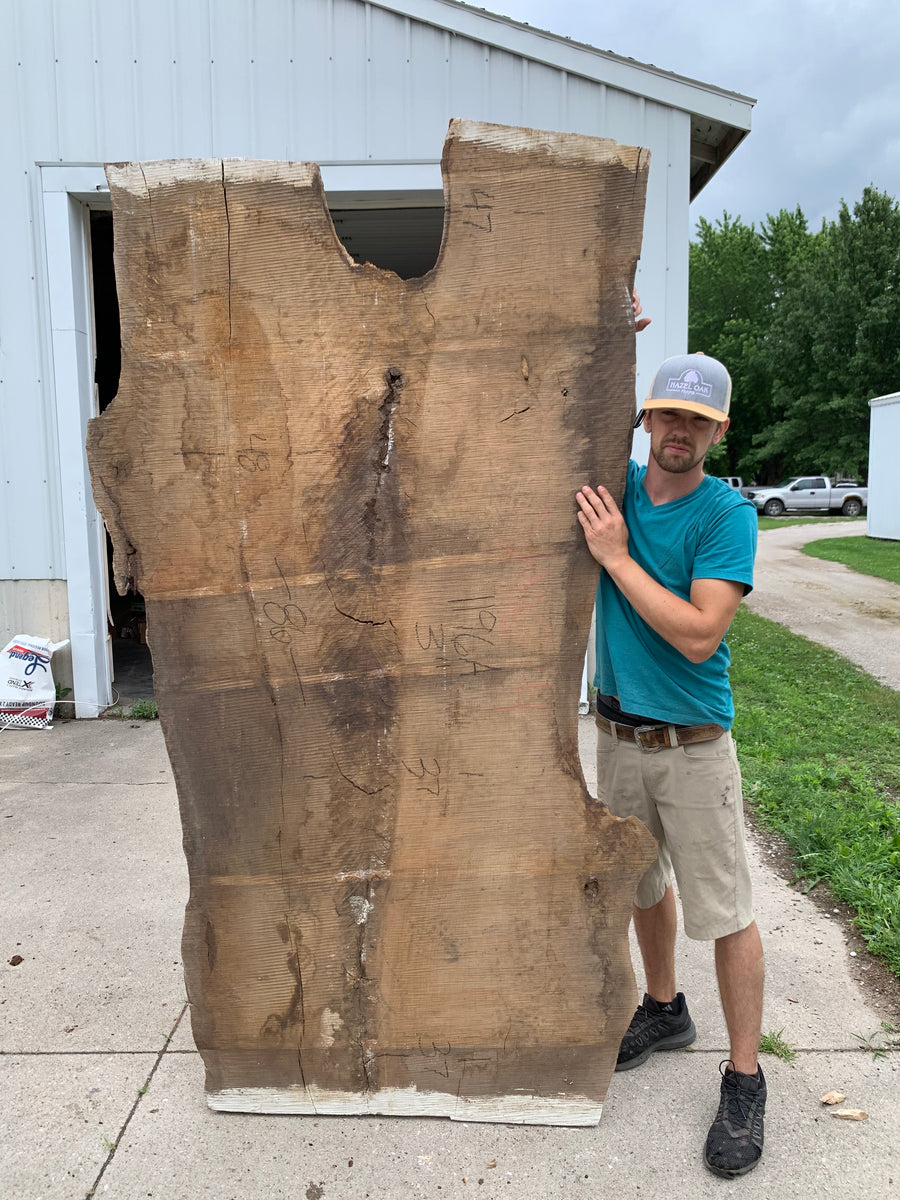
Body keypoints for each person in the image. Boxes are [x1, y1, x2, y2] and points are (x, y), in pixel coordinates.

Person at [575, 351, 765, 1179]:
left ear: (718, 431)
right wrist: (598, 328)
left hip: (690, 745)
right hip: (618, 737)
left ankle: (746, 1079)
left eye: (696, 419)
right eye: (666, 414)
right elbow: (545, 405)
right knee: (641, 885)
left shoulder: (727, 517)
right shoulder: (609, 486)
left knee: (723, 911)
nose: (678, 430)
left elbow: (698, 632)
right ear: (645, 418)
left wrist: (616, 558)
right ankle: (663, 1008)